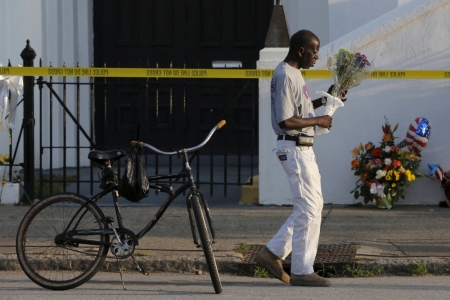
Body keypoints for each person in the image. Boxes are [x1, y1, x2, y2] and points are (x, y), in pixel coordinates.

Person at [254, 29, 346, 287]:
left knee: (311, 206)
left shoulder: (294, 75)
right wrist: (319, 119)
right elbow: (285, 121)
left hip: (302, 148)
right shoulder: (285, 74)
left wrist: (324, 100)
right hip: (294, 149)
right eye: (314, 51)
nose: (317, 56)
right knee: (309, 207)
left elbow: (298, 110)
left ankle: (271, 254)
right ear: (301, 50)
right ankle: (302, 270)